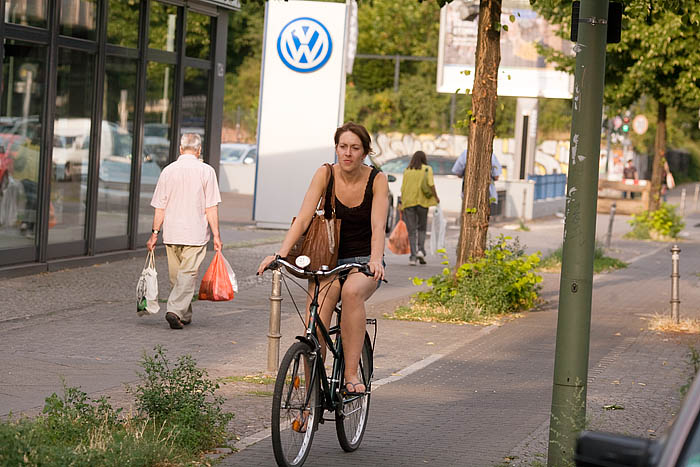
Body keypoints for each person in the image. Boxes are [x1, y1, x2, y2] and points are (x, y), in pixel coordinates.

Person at [257, 122, 389, 396]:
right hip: (327, 259)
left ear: (365, 152)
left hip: (363, 259)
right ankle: (311, 393)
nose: (348, 153)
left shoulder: (377, 180)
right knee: (315, 315)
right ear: (336, 148)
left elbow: (378, 226)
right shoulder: (325, 174)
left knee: (352, 292)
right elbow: (304, 218)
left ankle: (351, 374)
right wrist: (280, 255)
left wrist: (376, 259)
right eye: (343, 147)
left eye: (355, 148)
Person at [147, 133, 222, 329]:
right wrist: (216, 235)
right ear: (199, 150)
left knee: (177, 277)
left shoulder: (168, 171)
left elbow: (160, 207)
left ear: (180, 149)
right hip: (194, 234)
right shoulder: (207, 171)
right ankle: (174, 311)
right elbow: (211, 207)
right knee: (187, 276)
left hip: (171, 233)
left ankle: (184, 315)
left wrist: (155, 233)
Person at [400, 151, 439, 265]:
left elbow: (403, 188)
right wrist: (436, 197)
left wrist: (401, 202)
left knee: (411, 231)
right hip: (423, 202)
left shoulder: (407, 170)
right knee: (422, 228)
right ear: (424, 159)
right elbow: (431, 184)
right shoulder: (427, 169)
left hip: (408, 202)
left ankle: (412, 257)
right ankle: (420, 251)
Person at [451, 149, 502, 214]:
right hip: (487, 194)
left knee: (469, 215)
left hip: (468, 194)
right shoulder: (491, 155)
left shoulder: (465, 153)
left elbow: (457, 172)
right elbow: (496, 176)